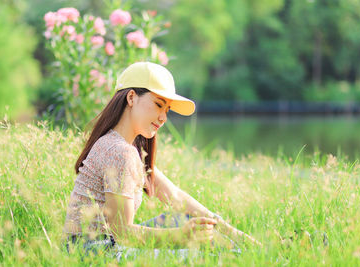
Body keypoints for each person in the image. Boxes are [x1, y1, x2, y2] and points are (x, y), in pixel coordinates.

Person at [63, 62, 260, 257]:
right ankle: (252, 257)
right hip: (94, 253)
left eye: (167, 110)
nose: (163, 117)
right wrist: (179, 236)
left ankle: (252, 251)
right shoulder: (120, 152)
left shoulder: (122, 147)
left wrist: (234, 233)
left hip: (87, 248)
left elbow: (175, 196)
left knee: (184, 218)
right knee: (205, 255)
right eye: (158, 105)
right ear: (131, 97)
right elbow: (121, 232)